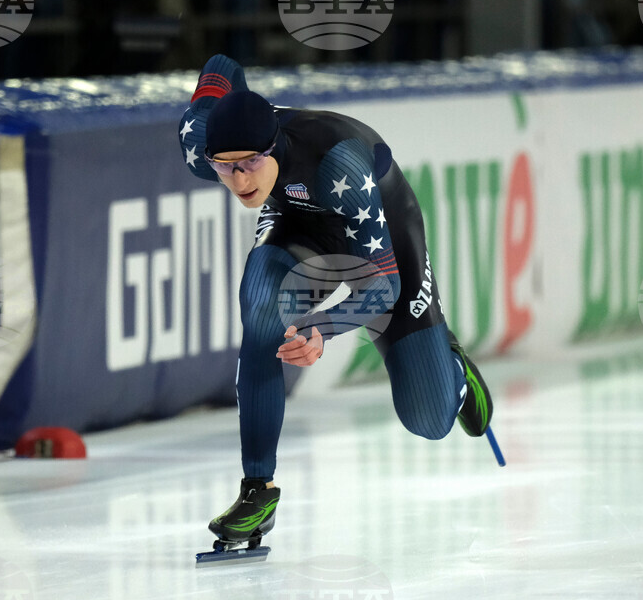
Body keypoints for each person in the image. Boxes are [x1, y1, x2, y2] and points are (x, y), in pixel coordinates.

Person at [180, 54, 494, 553]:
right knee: (261, 305)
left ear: (273, 148)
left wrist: (320, 330)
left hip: (380, 235)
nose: (240, 182)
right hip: (300, 227)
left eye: (252, 165)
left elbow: (383, 288)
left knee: (428, 421)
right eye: (227, 169)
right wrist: (235, 96)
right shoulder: (200, 141)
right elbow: (221, 65)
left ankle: (451, 371)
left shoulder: (337, 162)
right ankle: (257, 490)